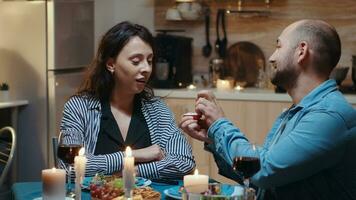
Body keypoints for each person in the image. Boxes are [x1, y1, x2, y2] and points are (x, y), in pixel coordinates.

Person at [180, 19, 356, 199]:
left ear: (301, 51)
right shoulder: (302, 110)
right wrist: (213, 138)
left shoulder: (329, 116)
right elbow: (260, 182)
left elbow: (264, 171)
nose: (271, 57)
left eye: (278, 46)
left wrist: (219, 125)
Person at [59, 21, 195, 179]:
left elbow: (184, 162)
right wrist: (135, 156)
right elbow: (69, 167)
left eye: (150, 61)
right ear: (111, 64)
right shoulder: (78, 107)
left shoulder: (157, 109)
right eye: (136, 61)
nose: (147, 69)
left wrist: (130, 172)